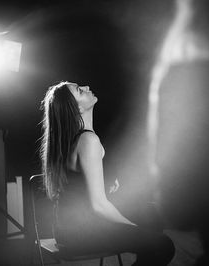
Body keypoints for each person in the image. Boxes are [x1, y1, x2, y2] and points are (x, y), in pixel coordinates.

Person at [40, 81, 175, 265]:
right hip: (83, 233)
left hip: (68, 229)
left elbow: (79, 187)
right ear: (77, 108)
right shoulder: (88, 140)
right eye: (80, 91)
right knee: (163, 245)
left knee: (151, 216)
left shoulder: (75, 139)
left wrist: (105, 184)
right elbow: (98, 205)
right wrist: (132, 227)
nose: (87, 87)